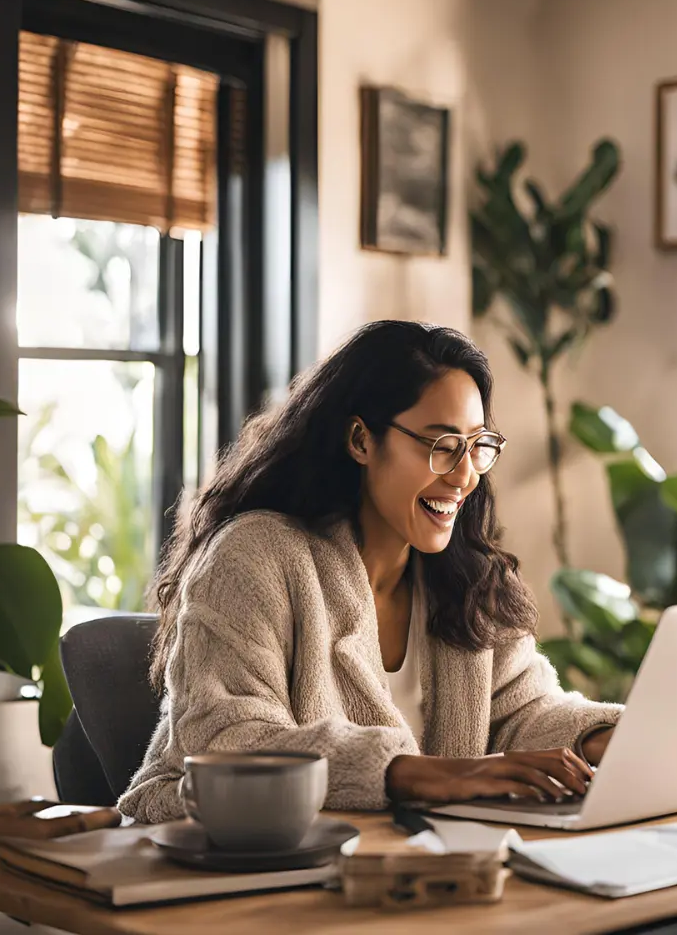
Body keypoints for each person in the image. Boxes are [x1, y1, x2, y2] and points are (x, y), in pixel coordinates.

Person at [120, 321, 620, 823]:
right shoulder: (253, 558)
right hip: (221, 856)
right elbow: (230, 741)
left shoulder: (469, 578)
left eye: (477, 446)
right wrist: (424, 774)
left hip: (401, 861)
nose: (464, 475)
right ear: (361, 440)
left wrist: (613, 737)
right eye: (441, 445)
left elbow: (523, 713)